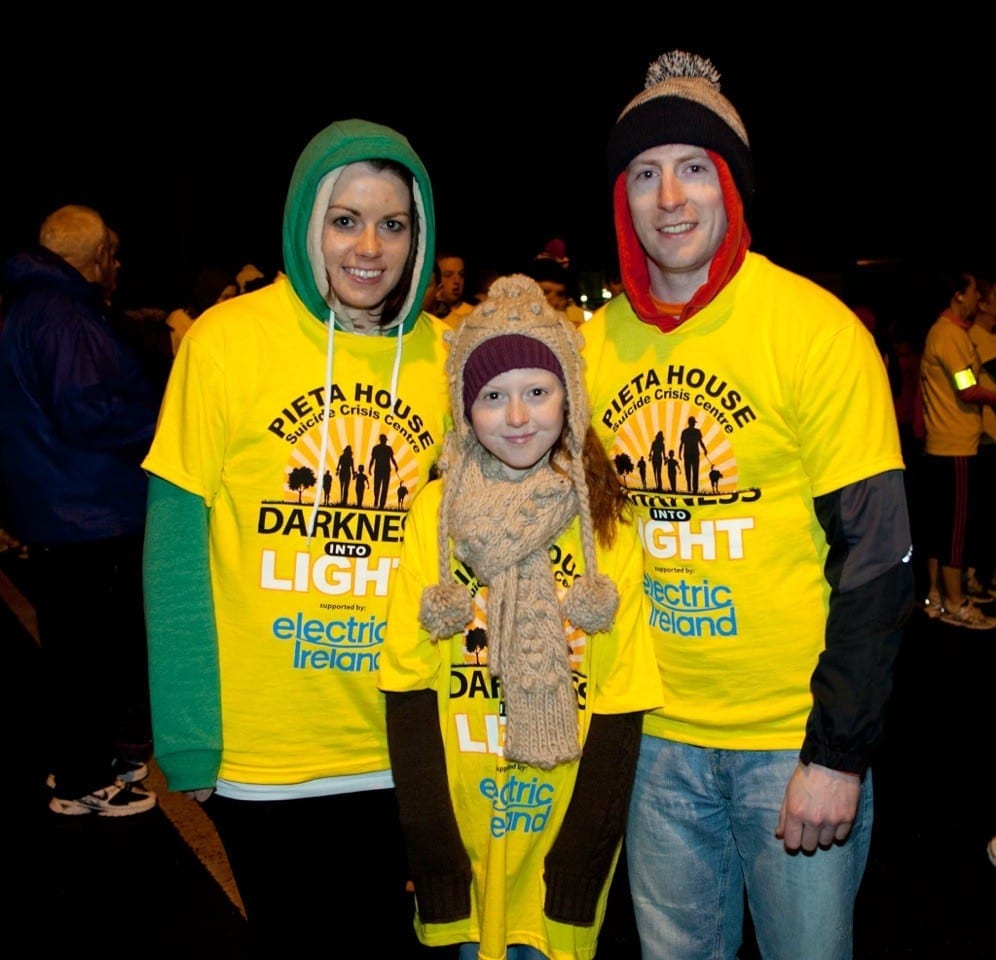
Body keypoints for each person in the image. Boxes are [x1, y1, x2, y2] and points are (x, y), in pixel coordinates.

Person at [582, 50, 915, 960]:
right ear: (621, 198)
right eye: (644, 174)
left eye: (694, 167)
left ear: (730, 184)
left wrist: (838, 754)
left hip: (789, 744)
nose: (670, 198)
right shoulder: (590, 348)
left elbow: (879, 558)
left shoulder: (813, 330)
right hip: (651, 742)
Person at [141, 119, 452, 954]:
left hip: (409, 743)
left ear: (418, 236)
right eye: (345, 220)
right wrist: (188, 736)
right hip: (266, 754)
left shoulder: (448, 360)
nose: (369, 247)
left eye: (393, 223)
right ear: (305, 222)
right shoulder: (225, 342)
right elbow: (174, 550)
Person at [380, 274, 662, 960]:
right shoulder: (435, 514)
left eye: (538, 392)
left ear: (571, 397)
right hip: (466, 837)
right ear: (463, 408)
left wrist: (582, 857)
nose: (516, 417)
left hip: (563, 831)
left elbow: (623, 694)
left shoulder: (607, 520)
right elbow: (407, 683)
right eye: (492, 396)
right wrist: (435, 848)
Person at [0, 204, 160, 816]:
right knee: (89, 653)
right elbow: (87, 412)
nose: (118, 267)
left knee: (76, 649)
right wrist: (165, 420)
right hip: (86, 512)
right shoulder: (64, 314)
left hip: (62, 507)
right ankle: (83, 779)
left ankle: (83, 761)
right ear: (99, 258)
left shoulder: (35, 305)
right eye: (114, 256)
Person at [918, 269, 996, 629]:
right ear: (958, 296)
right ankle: (956, 602)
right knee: (954, 529)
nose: (978, 298)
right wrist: (993, 396)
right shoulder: (949, 335)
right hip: (955, 445)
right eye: (973, 291)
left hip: (944, 444)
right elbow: (966, 387)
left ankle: (936, 596)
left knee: (940, 526)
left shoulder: (945, 333)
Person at [164, 265, 238, 355]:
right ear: (209, 296)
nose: (230, 302)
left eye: (233, 297)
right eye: (225, 297)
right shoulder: (181, 319)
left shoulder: (231, 320)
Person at [436, 249, 475, 326]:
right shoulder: (423, 314)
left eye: (461, 274)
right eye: (448, 275)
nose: (457, 280)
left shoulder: (474, 314)